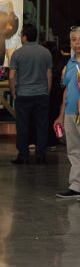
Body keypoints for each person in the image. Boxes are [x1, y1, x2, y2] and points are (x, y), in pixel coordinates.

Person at [9, 23, 53, 164]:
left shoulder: (17, 54)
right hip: (42, 94)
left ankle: (23, 155)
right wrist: (47, 91)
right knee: (42, 125)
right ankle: (40, 155)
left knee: (22, 126)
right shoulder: (46, 53)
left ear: (25, 37)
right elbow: (49, 75)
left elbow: (11, 76)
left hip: (23, 95)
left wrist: (13, 92)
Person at [55, 26, 80, 199]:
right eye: (73, 40)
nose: (77, 43)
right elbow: (67, 90)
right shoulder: (70, 64)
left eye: (79, 40)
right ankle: (76, 186)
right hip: (71, 113)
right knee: (73, 150)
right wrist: (61, 115)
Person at [44, 40, 68, 149]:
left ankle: (50, 140)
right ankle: (56, 138)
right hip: (60, 91)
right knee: (56, 115)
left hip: (50, 90)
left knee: (49, 116)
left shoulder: (48, 61)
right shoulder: (63, 60)